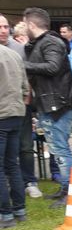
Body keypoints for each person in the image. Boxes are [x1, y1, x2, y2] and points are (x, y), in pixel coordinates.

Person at [22, 7, 72, 207]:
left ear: (31, 24)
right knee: (56, 148)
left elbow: (53, 67)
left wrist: (21, 64)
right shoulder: (39, 44)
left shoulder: (51, 42)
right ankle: (65, 187)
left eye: (24, 24)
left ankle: (70, 191)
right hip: (49, 104)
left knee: (61, 149)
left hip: (58, 105)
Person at [1, 13, 41, 198]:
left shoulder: (19, 49)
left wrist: (25, 102)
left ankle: (30, 182)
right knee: (9, 158)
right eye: (0, 27)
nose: (3, 31)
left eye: (5, 27)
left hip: (17, 109)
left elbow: (28, 79)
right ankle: (14, 197)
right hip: (9, 110)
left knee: (25, 147)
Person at [0, 42, 29, 229]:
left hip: (2, 114)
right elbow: (26, 87)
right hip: (16, 113)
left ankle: (6, 215)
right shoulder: (13, 54)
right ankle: (19, 210)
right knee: (12, 164)